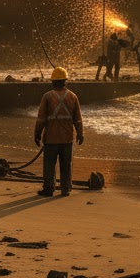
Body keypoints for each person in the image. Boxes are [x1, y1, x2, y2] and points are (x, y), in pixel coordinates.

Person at [34, 66, 83, 197]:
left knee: (49, 165)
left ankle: (48, 189)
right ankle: (65, 189)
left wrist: (37, 134)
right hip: (67, 139)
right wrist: (80, 133)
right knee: (66, 165)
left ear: (53, 82)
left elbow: (41, 119)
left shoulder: (47, 96)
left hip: (51, 138)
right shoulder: (73, 97)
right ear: (65, 81)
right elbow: (78, 119)